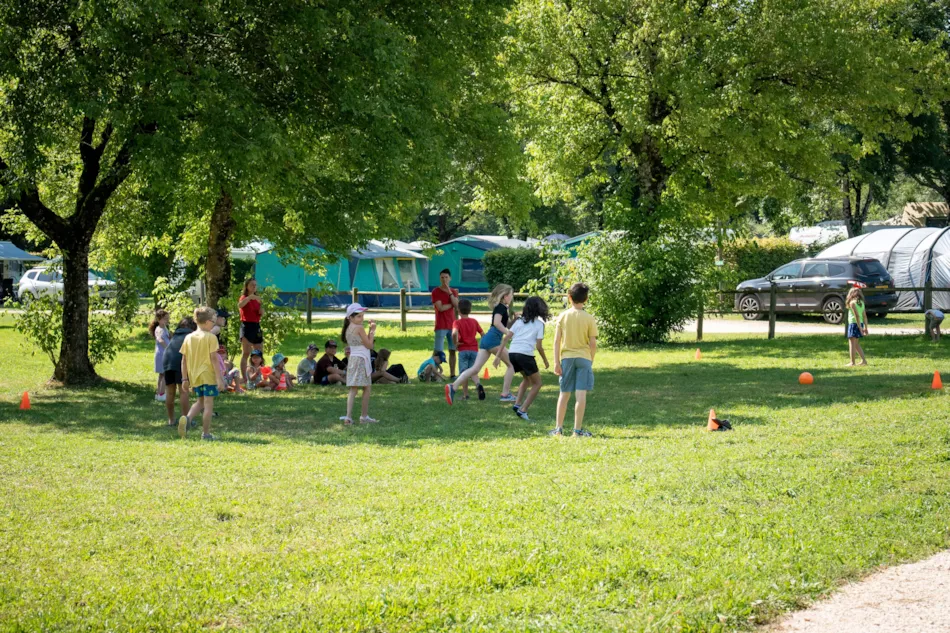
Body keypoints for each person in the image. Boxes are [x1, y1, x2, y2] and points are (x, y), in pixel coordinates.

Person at [446, 284, 516, 404]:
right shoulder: (501, 307)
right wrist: (508, 333)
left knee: (475, 368)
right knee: (512, 364)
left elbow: (505, 324)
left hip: (487, 340)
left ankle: (453, 387)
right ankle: (505, 394)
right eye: (511, 295)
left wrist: (515, 320)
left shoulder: (502, 307)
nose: (512, 297)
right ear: (505, 296)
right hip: (493, 340)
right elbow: (497, 323)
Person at [551, 283, 597, 438]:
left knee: (564, 394)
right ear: (586, 299)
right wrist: (590, 359)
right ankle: (577, 431)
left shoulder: (563, 316)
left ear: (569, 297)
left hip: (567, 358)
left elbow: (557, 341)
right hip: (584, 357)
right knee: (581, 394)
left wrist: (556, 362)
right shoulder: (589, 318)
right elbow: (593, 343)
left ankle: (558, 429)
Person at [497, 296, 550, 421]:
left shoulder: (519, 321)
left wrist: (498, 355)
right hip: (525, 355)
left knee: (527, 379)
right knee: (537, 383)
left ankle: (517, 404)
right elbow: (539, 346)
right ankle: (523, 410)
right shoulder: (539, 324)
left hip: (513, 354)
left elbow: (506, 338)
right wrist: (545, 360)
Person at [178, 306, 226, 441]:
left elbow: (184, 360)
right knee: (208, 404)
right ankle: (206, 434)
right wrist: (219, 378)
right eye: (213, 321)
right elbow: (214, 359)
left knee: (200, 401)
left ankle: (187, 419)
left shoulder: (188, 337)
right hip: (208, 375)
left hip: (195, 376)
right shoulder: (211, 337)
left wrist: (184, 379)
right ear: (207, 322)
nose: (214, 324)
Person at [342, 303, 377, 424]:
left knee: (353, 389)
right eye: (358, 316)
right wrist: (372, 331)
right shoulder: (359, 328)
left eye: (362, 315)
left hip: (353, 359)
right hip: (361, 359)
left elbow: (362, 342)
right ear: (351, 317)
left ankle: (348, 417)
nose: (361, 318)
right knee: (367, 387)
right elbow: (369, 345)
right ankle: (364, 416)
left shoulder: (348, 328)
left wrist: (369, 331)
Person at [162, 317, 197, 427]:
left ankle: (171, 420)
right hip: (180, 361)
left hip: (167, 360)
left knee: (170, 391)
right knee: (184, 391)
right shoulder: (191, 336)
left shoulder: (176, 334)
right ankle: (185, 420)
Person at [452, 299, 485, 400]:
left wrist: (455, 343)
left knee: (464, 373)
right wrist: (482, 344)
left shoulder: (457, 322)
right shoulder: (474, 321)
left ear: (458, 310)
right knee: (473, 371)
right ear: (470, 310)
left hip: (463, 350)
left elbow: (454, 333)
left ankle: (465, 395)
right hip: (474, 350)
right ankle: (478, 384)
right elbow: (482, 333)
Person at [431, 268, 459, 379]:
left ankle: (452, 374)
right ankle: (433, 373)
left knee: (453, 350)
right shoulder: (436, 291)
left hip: (452, 325)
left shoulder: (453, 292)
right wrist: (452, 304)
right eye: (442, 277)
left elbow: (457, 305)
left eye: (446, 277)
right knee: (438, 351)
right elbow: (440, 308)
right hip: (441, 325)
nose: (444, 279)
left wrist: (450, 293)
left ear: (450, 278)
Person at [238, 278, 264, 381]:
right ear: (247, 286)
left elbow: (260, 311)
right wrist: (249, 298)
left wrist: (262, 311)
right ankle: (245, 378)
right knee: (246, 352)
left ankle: (258, 376)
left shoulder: (258, 299)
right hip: (247, 325)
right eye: (252, 285)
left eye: (255, 285)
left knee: (259, 352)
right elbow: (240, 305)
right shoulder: (244, 297)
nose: (254, 286)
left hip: (256, 326)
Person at [149, 309, 171, 402]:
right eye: (165, 318)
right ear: (159, 319)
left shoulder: (164, 328)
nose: (167, 320)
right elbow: (160, 339)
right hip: (162, 354)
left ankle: (159, 393)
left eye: (168, 318)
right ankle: (161, 394)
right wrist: (168, 348)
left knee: (162, 374)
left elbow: (166, 337)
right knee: (164, 374)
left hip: (163, 353)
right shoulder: (159, 329)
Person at [846, 286, 869, 366]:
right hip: (860, 324)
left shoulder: (852, 303)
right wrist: (865, 327)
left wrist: (860, 328)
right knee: (856, 344)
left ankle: (852, 362)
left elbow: (857, 316)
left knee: (852, 344)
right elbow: (864, 316)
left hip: (854, 324)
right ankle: (863, 361)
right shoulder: (861, 303)